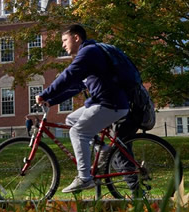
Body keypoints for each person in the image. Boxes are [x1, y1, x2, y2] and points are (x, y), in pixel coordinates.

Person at [36, 24, 130, 193]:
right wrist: (51, 100)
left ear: (76, 37)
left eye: (65, 40)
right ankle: (102, 149)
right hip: (105, 102)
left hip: (110, 103)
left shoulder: (88, 52)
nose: (63, 45)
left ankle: (84, 178)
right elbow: (76, 86)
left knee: (77, 132)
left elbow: (68, 75)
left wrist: (44, 93)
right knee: (71, 119)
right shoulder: (89, 55)